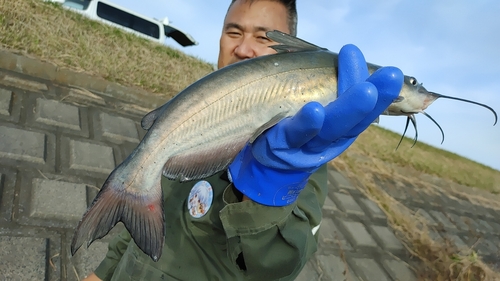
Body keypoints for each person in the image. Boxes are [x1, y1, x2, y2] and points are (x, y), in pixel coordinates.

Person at [83, 0, 403, 280]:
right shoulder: (191, 122)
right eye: (234, 32)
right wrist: (104, 272)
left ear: (293, 51)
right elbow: (146, 216)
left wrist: (273, 187)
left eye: (264, 37)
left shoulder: (304, 162)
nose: (244, 48)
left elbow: (279, 266)